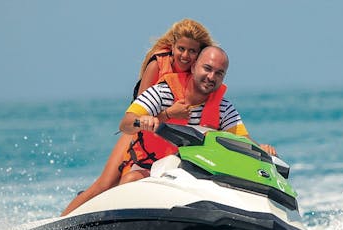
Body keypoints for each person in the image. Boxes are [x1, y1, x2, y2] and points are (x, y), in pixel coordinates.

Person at [61, 19, 215, 216]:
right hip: (137, 134)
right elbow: (142, 115)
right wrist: (170, 114)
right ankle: (57, 225)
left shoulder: (201, 75)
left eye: (192, 51)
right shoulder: (157, 66)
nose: (185, 56)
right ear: (173, 45)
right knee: (104, 184)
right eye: (181, 48)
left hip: (165, 142)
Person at [118, 46, 276, 184]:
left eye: (219, 73)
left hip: (194, 177)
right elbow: (125, 124)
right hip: (152, 169)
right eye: (207, 68)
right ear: (193, 67)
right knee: (129, 179)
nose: (211, 77)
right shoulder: (162, 93)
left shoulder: (224, 108)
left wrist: (261, 148)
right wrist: (143, 119)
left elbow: (244, 141)